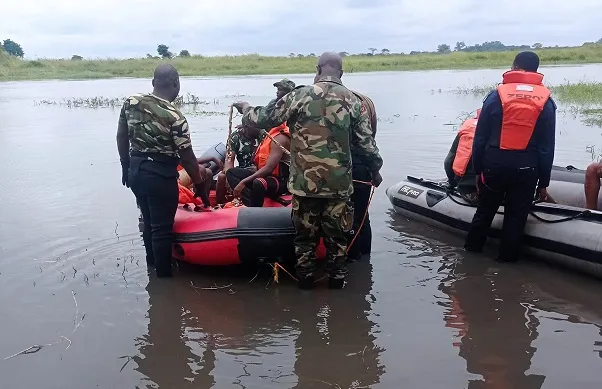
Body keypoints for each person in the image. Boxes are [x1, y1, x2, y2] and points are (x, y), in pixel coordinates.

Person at [233, 52, 383, 290]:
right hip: (338, 187)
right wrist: (376, 171)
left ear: (318, 69)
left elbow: (262, 118)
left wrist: (245, 107)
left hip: (304, 187)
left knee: (304, 240)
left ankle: (305, 287)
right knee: (338, 240)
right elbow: (367, 145)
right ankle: (337, 288)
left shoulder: (299, 96)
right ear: (341, 73)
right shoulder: (354, 102)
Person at [464, 51, 556, 263]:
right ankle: (506, 264)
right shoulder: (546, 102)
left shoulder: (496, 96)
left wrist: (478, 170)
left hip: (494, 164)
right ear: (536, 71)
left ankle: (469, 258)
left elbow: (480, 139)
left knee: (484, 212)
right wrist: (544, 182)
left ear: (514, 67)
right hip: (527, 168)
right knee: (516, 219)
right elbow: (546, 147)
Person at [117, 64, 207, 277]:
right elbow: (187, 157)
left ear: (153, 82)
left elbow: (121, 136)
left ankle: (151, 268)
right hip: (160, 176)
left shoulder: (131, 103)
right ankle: (164, 280)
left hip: (136, 171)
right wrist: (200, 186)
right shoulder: (175, 117)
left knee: (149, 222)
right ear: (176, 83)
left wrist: (125, 166)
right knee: (162, 229)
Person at [346, 90, 379, 261]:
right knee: (362, 216)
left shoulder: (351, 108)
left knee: (350, 217)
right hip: (363, 167)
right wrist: (375, 170)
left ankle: (353, 259)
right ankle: (365, 259)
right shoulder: (367, 104)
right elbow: (370, 142)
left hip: (349, 168)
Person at [225, 123, 291, 207]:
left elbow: (269, 169)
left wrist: (243, 182)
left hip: (282, 181)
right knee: (231, 173)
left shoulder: (279, 138)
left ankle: (255, 208)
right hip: (267, 176)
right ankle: (248, 201)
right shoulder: (268, 135)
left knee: (259, 182)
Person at [215, 124, 261, 204]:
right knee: (222, 176)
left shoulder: (263, 134)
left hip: (260, 170)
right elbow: (229, 160)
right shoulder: (235, 136)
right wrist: (229, 180)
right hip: (243, 170)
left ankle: (247, 201)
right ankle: (220, 204)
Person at [443, 109, 481, 197]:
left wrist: (452, 184)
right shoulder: (503, 133)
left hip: (467, 190)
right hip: (496, 191)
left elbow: (448, 162)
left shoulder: (466, 130)